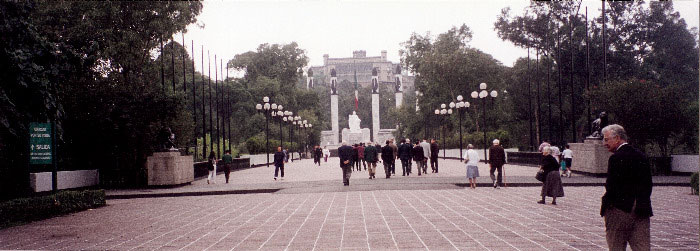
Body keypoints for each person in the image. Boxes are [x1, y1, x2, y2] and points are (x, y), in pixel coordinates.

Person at [600, 124, 653, 251]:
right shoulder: (641, 156)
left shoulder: (616, 158)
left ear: (617, 138)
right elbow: (648, 184)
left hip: (619, 210)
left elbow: (611, 186)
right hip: (641, 209)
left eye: (606, 139)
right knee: (642, 247)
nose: (604, 143)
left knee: (616, 246)